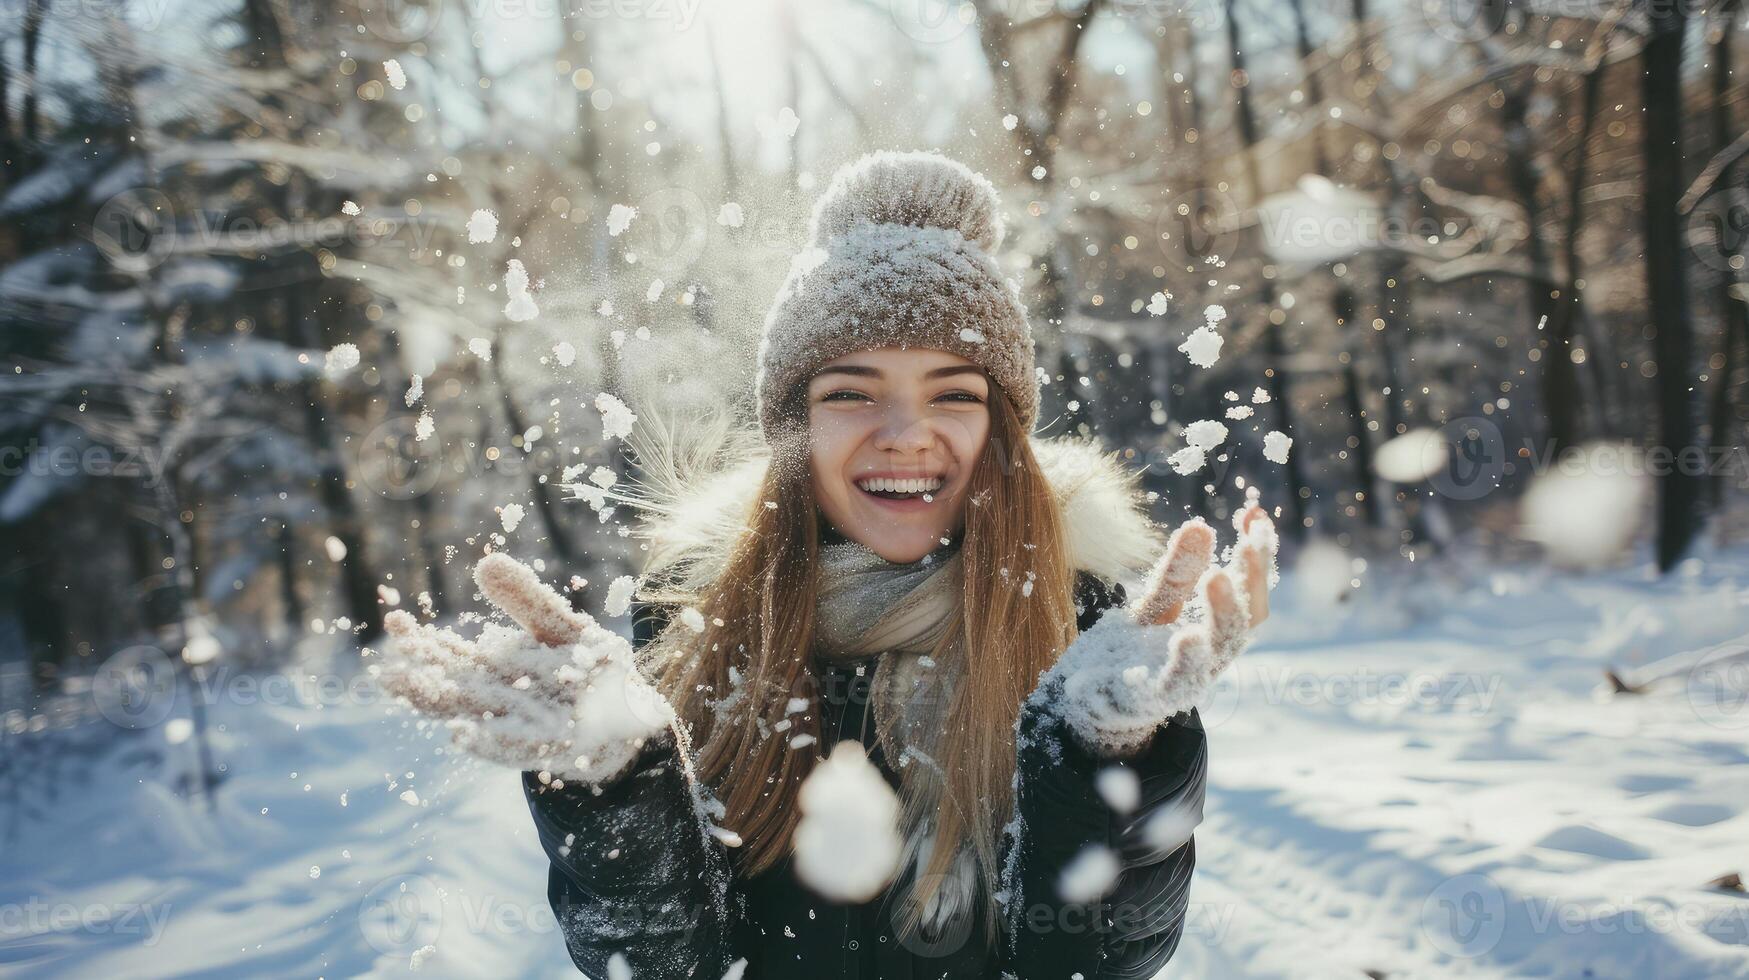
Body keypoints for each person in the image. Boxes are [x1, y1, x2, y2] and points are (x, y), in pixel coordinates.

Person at [380, 149, 1278, 979]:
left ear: (999, 432)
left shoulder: (1077, 630)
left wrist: (1108, 758)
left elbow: (1090, 965)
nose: (904, 434)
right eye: (850, 392)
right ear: (793, 430)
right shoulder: (692, 621)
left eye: (953, 394)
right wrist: (616, 783)